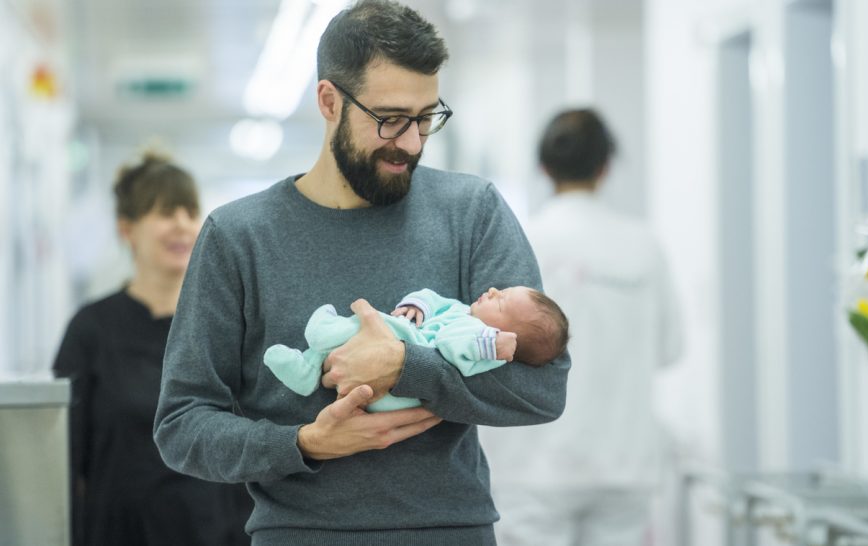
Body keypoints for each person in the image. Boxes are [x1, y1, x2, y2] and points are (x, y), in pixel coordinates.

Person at [152, 2, 570, 544]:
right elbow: (182, 423)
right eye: (390, 119)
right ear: (329, 101)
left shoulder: (472, 212)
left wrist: (405, 366)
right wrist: (303, 444)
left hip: (450, 532)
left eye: (426, 118)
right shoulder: (238, 236)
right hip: (301, 534)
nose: (412, 143)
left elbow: (541, 389)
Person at [480, 109, 684, 546]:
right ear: (605, 167)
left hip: (533, 464)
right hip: (624, 461)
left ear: (543, 167)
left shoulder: (521, 240)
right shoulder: (643, 245)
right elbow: (670, 349)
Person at [52, 153, 253, 546]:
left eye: (189, 211)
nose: (181, 224)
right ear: (127, 229)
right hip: (119, 532)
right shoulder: (91, 330)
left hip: (213, 531)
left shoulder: (227, 323)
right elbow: (65, 458)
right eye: (164, 212)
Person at [264, 286, 569, 412]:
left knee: (372, 323)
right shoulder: (462, 310)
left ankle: (321, 330)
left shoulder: (479, 335)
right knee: (365, 336)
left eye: (500, 302)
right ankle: (307, 370)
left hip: (402, 377)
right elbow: (433, 298)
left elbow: (452, 348)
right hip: (390, 377)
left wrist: (490, 344)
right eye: (500, 291)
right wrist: (418, 305)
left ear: (505, 333)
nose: (492, 290)